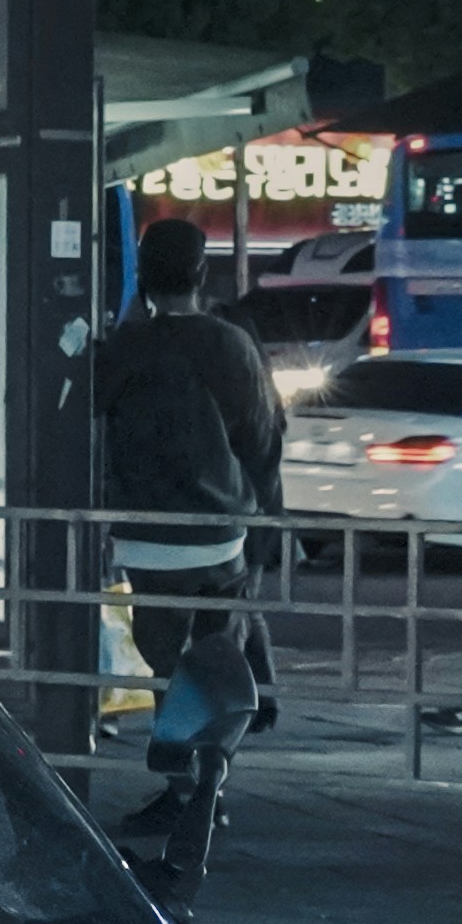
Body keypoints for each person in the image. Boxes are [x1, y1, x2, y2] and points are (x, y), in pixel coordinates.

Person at [91, 213, 286, 824]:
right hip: (219, 537)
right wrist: (266, 525)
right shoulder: (230, 344)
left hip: (145, 540)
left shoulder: (122, 348)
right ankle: (208, 790)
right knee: (216, 665)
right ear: (202, 274)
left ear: (143, 278)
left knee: (165, 665)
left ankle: (180, 788)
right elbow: (262, 442)